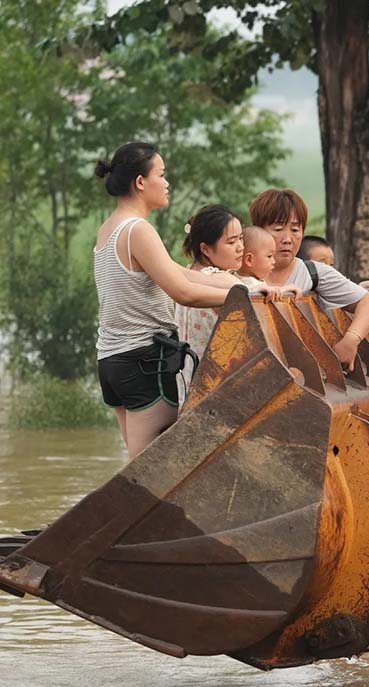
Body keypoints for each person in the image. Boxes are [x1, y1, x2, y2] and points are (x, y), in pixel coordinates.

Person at [94, 141, 235, 460]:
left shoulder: (110, 228)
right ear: (140, 182)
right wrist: (239, 296)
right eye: (162, 174)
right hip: (144, 361)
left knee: (140, 466)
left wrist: (233, 284)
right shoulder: (137, 230)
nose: (167, 182)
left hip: (113, 361)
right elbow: (182, 292)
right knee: (149, 475)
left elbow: (176, 272)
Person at [249, 188, 369, 371]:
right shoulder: (237, 269)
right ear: (258, 230)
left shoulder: (314, 273)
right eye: (278, 229)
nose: (287, 239)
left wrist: (351, 340)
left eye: (295, 230)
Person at [175, 207, 284, 404]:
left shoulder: (186, 274)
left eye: (241, 239)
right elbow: (247, 290)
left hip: (186, 376)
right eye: (231, 242)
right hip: (216, 381)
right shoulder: (223, 279)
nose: (240, 247)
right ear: (206, 249)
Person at [237, 226, 302, 297]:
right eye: (269, 256)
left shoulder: (251, 282)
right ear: (249, 260)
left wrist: (284, 289)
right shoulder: (247, 286)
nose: (273, 261)